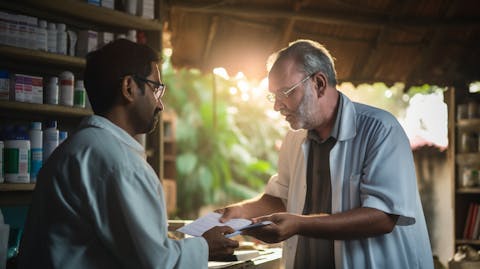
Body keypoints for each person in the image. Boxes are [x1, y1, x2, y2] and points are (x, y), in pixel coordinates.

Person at [18, 39, 238, 269]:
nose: (160, 105)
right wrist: (205, 246)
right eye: (155, 89)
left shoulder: (82, 147)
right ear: (129, 87)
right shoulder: (118, 163)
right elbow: (156, 264)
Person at [218, 39, 434, 269]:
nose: (277, 106)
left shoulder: (380, 130)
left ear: (319, 84)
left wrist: (299, 224)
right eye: (273, 96)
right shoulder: (295, 138)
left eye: (285, 93)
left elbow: (383, 217)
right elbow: (280, 197)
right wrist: (238, 212)